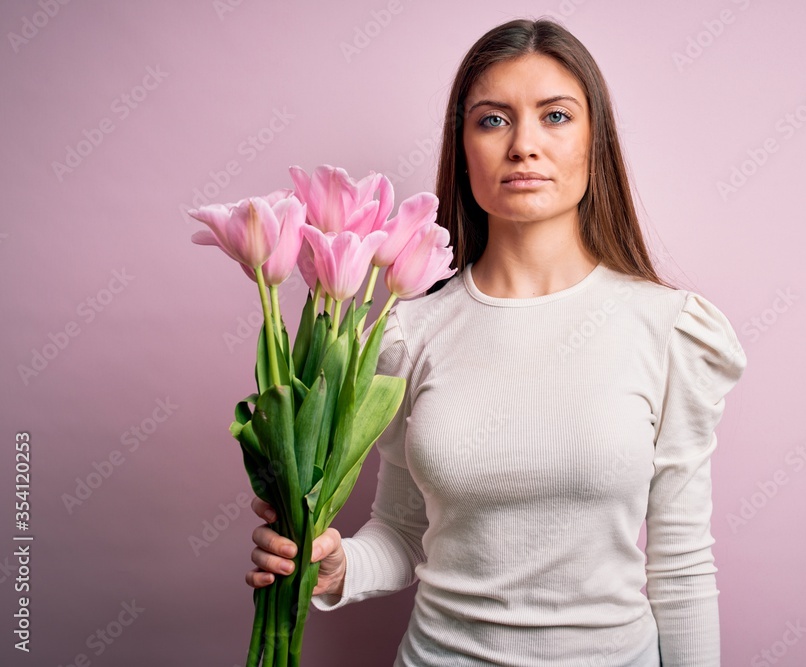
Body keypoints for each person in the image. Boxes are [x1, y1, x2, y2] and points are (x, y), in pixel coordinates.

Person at [245, 17, 747, 667]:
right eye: (493, 120)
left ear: (596, 142)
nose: (524, 146)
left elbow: (680, 568)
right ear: (464, 149)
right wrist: (337, 566)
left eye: (556, 116)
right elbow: (401, 532)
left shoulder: (668, 329)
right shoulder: (408, 331)